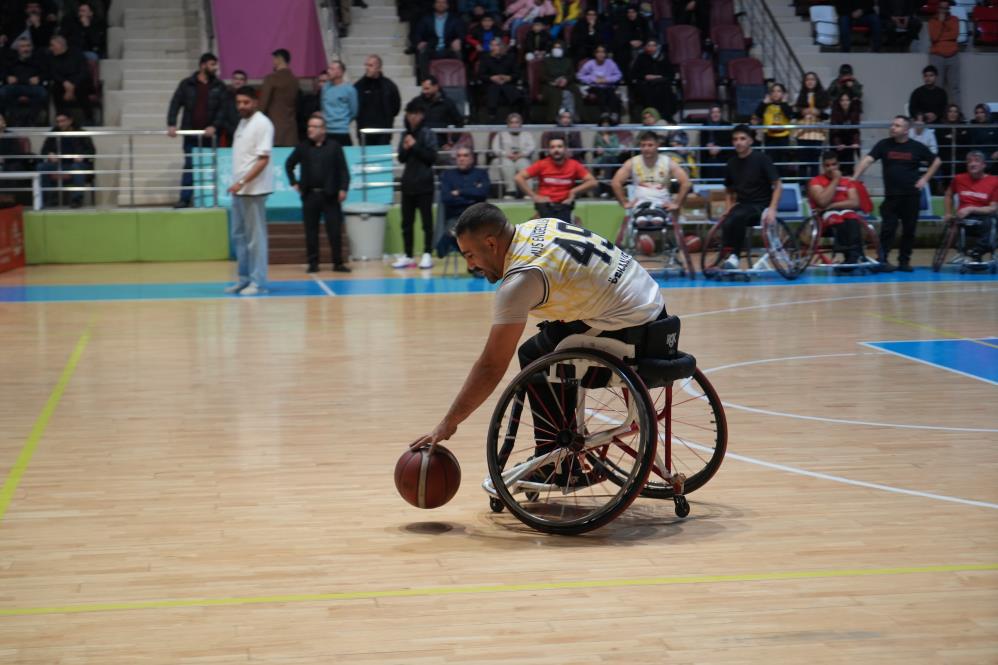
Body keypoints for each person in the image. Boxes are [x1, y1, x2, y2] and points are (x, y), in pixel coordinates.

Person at [410, 201, 667, 451]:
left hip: (630, 330)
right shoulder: (542, 225)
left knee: (535, 357)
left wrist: (448, 424)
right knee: (548, 338)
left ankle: (558, 461)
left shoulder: (521, 281)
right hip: (654, 308)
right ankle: (563, 448)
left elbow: (491, 366)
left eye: (470, 255)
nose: (470, 265)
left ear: (491, 243)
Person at [853, 115, 942, 272]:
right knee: (888, 229)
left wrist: (925, 179)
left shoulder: (916, 147)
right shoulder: (884, 145)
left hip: (911, 196)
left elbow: (936, 161)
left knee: (909, 230)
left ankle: (904, 261)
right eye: (892, 124)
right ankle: (882, 260)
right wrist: (854, 178)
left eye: (897, 126)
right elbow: (867, 160)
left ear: (907, 130)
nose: (892, 128)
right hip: (892, 196)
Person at [285, 112, 352, 274]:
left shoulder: (334, 147)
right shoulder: (302, 147)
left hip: (330, 195)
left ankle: (338, 262)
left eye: (314, 127)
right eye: (309, 126)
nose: (310, 129)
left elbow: (343, 170)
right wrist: (294, 182)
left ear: (323, 130)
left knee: (335, 231)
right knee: (311, 231)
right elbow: (289, 164)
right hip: (310, 196)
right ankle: (313, 263)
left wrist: (343, 188)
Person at [224, 86, 275, 296]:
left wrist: (243, 181)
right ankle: (244, 279)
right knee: (239, 236)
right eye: (239, 103)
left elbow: (263, 160)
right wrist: (238, 184)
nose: (242, 106)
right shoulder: (243, 123)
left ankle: (258, 282)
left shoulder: (262, 123)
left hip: (254, 190)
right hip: (240, 190)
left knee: (255, 238)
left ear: (255, 101)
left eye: (246, 102)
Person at [716, 124, 783, 268]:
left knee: (739, 216)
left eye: (742, 138)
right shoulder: (731, 163)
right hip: (742, 205)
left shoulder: (762, 159)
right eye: (735, 139)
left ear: (750, 141)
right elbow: (728, 190)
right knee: (728, 221)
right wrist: (727, 208)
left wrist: (772, 208)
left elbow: (777, 185)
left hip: (761, 205)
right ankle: (727, 256)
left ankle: (735, 256)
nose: (738, 142)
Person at [167, 53, 227, 208]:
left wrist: (214, 126)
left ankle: (211, 199)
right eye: (212, 64)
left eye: (215, 64)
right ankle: (185, 199)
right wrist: (171, 123)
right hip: (191, 134)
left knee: (211, 166)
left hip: (211, 136)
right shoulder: (186, 84)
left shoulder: (220, 86)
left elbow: (223, 110)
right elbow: (175, 103)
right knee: (190, 165)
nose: (215, 68)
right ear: (202, 65)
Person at [394, 100, 438, 269]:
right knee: (406, 222)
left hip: (425, 183)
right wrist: (405, 148)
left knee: (426, 221)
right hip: (408, 183)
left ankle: (427, 253)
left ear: (421, 115)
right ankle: (408, 255)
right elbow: (401, 158)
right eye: (409, 113)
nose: (412, 117)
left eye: (415, 113)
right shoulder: (405, 133)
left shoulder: (428, 133)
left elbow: (432, 158)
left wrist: (415, 145)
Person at [515, 134, 597, 222]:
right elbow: (519, 178)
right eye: (552, 147)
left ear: (565, 149)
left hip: (565, 205)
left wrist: (574, 191)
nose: (556, 150)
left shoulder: (574, 165)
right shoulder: (541, 164)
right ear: (549, 150)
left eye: (559, 146)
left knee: (575, 224)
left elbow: (592, 182)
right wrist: (534, 196)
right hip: (545, 205)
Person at [807, 150, 866, 268]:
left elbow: (855, 202)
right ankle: (845, 253)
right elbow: (822, 202)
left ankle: (854, 255)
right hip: (824, 217)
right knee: (837, 218)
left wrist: (833, 205)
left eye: (834, 165)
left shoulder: (847, 181)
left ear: (838, 165)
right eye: (827, 166)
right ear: (823, 167)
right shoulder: (815, 181)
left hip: (842, 211)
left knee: (852, 218)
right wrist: (835, 180)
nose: (831, 168)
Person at [611, 129, 691, 213]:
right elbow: (615, 182)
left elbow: (686, 183)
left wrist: (677, 204)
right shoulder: (632, 162)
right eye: (643, 145)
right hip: (640, 205)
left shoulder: (668, 162)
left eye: (650, 145)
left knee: (658, 221)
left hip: (662, 204)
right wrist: (624, 203)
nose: (646, 148)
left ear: (657, 145)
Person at [944, 151, 998, 262]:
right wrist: (948, 212)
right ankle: (970, 252)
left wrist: (971, 208)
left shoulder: (994, 181)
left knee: (992, 222)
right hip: (963, 218)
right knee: (954, 224)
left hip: (983, 216)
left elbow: (993, 208)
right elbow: (948, 194)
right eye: (969, 161)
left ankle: (977, 251)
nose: (972, 164)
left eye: (976, 161)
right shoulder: (959, 179)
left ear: (984, 165)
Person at [437, 145, 490, 257]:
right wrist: (471, 195)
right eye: (459, 156)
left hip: (477, 217)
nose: (462, 158)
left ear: (472, 158)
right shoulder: (448, 175)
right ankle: (474, 264)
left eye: (465, 155)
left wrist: (459, 192)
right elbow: (446, 198)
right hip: (455, 217)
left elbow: (483, 193)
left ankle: (473, 263)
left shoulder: (481, 173)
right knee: (460, 232)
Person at [37, 112, 95, 208]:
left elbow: (91, 151)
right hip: (59, 164)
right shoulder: (53, 132)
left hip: (77, 164)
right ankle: (48, 200)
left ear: (70, 120)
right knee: (42, 167)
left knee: (76, 168)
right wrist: (49, 154)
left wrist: (82, 156)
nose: (60, 124)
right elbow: (44, 150)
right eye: (58, 122)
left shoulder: (81, 132)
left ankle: (76, 200)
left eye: (63, 121)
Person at [354, 55, 401, 146]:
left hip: (383, 132)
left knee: (382, 159)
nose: (367, 68)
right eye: (366, 65)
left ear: (379, 68)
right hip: (364, 132)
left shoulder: (389, 86)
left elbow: (396, 108)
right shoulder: (359, 86)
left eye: (370, 65)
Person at [0, 38, 48, 125]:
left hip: (32, 87)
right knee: (3, 92)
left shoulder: (38, 58)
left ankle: (31, 119)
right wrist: (7, 78)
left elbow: (47, 72)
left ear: (31, 47)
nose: (26, 49)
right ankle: (13, 119)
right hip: (15, 86)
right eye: (23, 46)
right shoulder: (10, 59)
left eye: (28, 46)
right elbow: (2, 72)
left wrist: (39, 78)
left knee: (43, 93)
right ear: (17, 48)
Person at [415, 0, 466, 81]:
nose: (441, 4)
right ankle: (427, 81)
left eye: (443, 2)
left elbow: (462, 33)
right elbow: (418, 33)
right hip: (431, 48)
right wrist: (420, 42)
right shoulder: (426, 19)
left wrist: (459, 40)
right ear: (434, 5)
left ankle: (458, 82)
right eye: (438, 2)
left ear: (447, 5)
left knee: (458, 53)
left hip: (448, 48)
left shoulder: (455, 19)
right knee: (422, 53)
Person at [628, 38, 676, 123]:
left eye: (653, 45)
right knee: (647, 91)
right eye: (649, 45)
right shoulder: (641, 57)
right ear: (645, 47)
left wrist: (658, 76)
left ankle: (666, 117)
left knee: (666, 90)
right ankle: (651, 117)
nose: (651, 48)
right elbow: (633, 74)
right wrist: (645, 76)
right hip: (646, 84)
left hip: (661, 83)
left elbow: (671, 74)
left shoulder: (664, 57)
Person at [259, 48, 299, 147]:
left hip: (274, 129)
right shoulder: (294, 80)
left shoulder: (271, 79)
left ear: (279, 59)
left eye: (274, 59)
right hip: (291, 131)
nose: (273, 62)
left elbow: (263, 105)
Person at [752, 83, 793, 177]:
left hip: (783, 137)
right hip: (770, 137)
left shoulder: (786, 105)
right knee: (770, 162)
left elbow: (789, 115)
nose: (776, 93)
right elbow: (757, 115)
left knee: (783, 163)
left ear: (783, 93)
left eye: (779, 91)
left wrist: (784, 102)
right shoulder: (766, 105)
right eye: (773, 91)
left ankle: (783, 183)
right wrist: (763, 103)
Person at [478, 38, 523, 122]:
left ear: (502, 46)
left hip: (507, 83)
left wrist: (508, 78)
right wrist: (491, 78)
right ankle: (492, 115)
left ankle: (514, 117)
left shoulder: (510, 57)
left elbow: (517, 74)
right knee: (494, 88)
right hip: (491, 84)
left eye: (497, 45)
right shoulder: (485, 58)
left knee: (508, 89)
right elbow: (481, 75)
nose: (494, 47)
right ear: (490, 47)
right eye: (492, 45)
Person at [491, 112, 535, 198]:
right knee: (507, 164)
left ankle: (528, 192)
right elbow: (495, 148)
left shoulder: (527, 134)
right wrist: (506, 154)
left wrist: (522, 154)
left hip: (522, 157)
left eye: (517, 122)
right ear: (508, 124)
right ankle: (511, 191)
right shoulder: (500, 134)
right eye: (512, 122)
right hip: (505, 158)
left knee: (523, 164)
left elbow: (531, 147)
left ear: (520, 123)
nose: (514, 125)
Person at [928, 0, 960, 110]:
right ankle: (937, 114)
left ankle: (958, 115)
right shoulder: (932, 21)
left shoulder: (954, 20)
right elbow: (934, 37)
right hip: (937, 55)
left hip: (953, 54)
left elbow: (954, 35)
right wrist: (941, 23)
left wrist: (942, 33)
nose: (944, 11)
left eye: (946, 8)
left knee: (954, 87)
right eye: (942, 8)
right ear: (938, 8)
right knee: (937, 88)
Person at [576, 45, 622, 120]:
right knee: (600, 93)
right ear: (595, 54)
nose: (601, 54)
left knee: (611, 94)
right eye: (598, 52)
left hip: (608, 86)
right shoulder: (590, 63)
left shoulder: (610, 63)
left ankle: (614, 114)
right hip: (594, 87)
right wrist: (593, 79)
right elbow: (580, 75)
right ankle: (604, 113)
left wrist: (607, 79)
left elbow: (618, 75)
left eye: (603, 52)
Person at [322, 60, 358, 147]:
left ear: (340, 72)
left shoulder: (349, 90)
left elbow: (354, 111)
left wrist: (343, 121)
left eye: (332, 69)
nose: (328, 71)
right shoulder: (325, 87)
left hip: (342, 132)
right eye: (329, 68)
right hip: (327, 131)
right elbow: (323, 106)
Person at [538, 40, 575, 124]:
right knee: (555, 93)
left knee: (575, 90)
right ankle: (553, 119)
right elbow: (542, 76)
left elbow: (572, 75)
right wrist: (553, 82)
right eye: (555, 47)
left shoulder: (568, 61)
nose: (556, 49)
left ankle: (575, 118)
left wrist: (566, 80)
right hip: (550, 84)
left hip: (566, 83)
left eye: (559, 47)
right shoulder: (546, 61)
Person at [936, 104, 968, 192]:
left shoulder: (963, 125)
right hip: (946, 160)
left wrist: (951, 136)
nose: (952, 114)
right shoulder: (940, 126)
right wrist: (958, 136)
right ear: (946, 113)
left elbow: (966, 140)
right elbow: (941, 141)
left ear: (958, 114)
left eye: (955, 111)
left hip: (961, 160)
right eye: (950, 111)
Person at [830, 91, 861, 175]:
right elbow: (834, 131)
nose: (845, 102)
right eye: (842, 100)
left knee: (850, 167)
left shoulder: (854, 112)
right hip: (838, 142)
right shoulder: (835, 112)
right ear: (839, 102)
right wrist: (838, 144)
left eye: (847, 100)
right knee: (838, 168)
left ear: (850, 101)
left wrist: (856, 142)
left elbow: (856, 130)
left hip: (849, 142)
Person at [700, 105, 731, 183]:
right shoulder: (704, 126)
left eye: (718, 112)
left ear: (721, 114)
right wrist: (707, 146)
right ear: (710, 114)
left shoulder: (727, 125)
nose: (715, 114)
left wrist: (720, 148)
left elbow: (730, 142)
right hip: (708, 156)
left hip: (723, 156)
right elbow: (702, 143)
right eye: (713, 112)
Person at [969, 103, 998, 176]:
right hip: (981, 160)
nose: (979, 115)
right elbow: (973, 146)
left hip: (995, 159)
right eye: (977, 113)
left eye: (982, 112)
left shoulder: (995, 125)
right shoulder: (973, 127)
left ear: (987, 113)